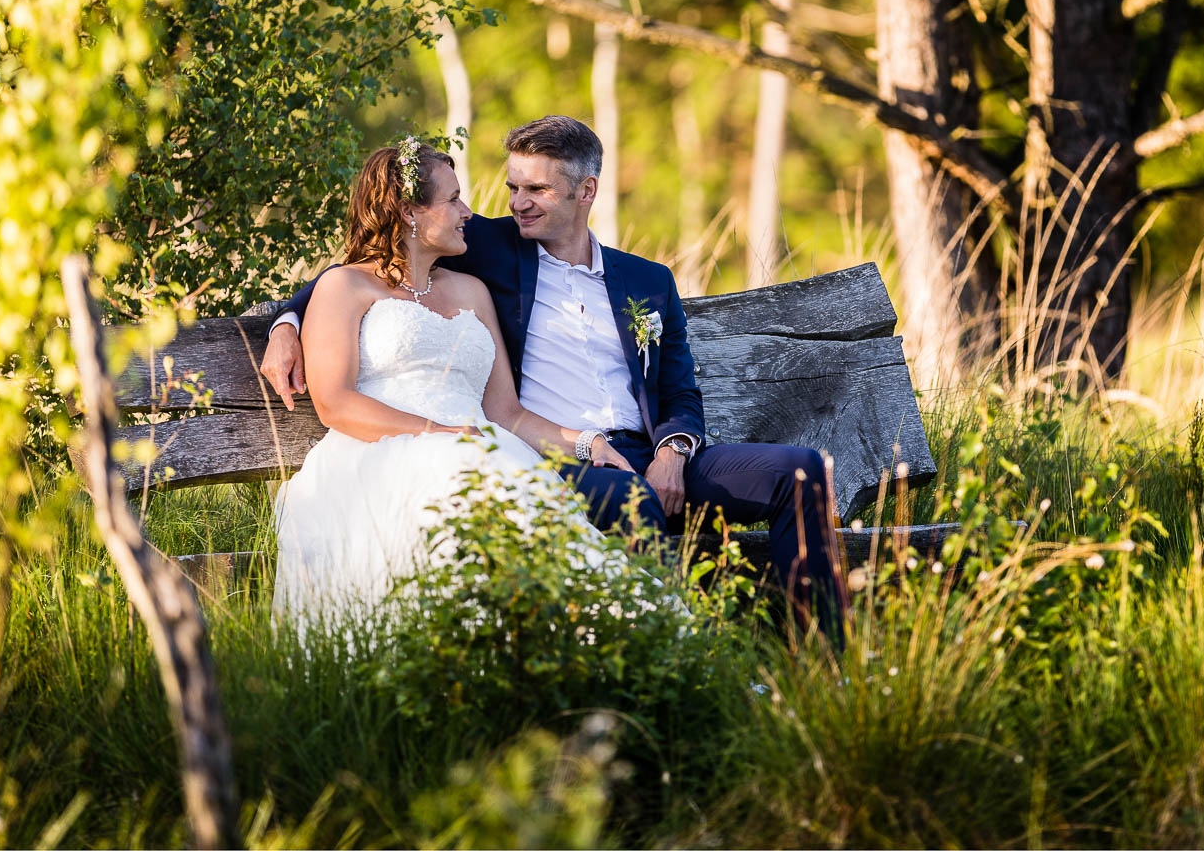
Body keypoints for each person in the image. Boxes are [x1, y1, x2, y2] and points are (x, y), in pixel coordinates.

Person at [266, 116, 845, 640]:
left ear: (585, 190)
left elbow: (678, 390)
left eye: (537, 189)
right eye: (513, 186)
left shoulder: (647, 279)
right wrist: (286, 322)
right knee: (627, 499)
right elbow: (365, 266)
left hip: (649, 455)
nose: (517, 203)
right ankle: (683, 651)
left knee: (802, 471)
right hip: (558, 458)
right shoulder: (489, 248)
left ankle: (822, 662)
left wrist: (672, 449)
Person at [272, 138, 629, 630]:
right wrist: (438, 434)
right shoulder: (346, 286)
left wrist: (586, 443)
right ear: (409, 212)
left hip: (480, 446)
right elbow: (334, 403)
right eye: (454, 199)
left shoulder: (471, 291)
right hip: (380, 454)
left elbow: (508, 415)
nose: (468, 212)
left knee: (542, 532)